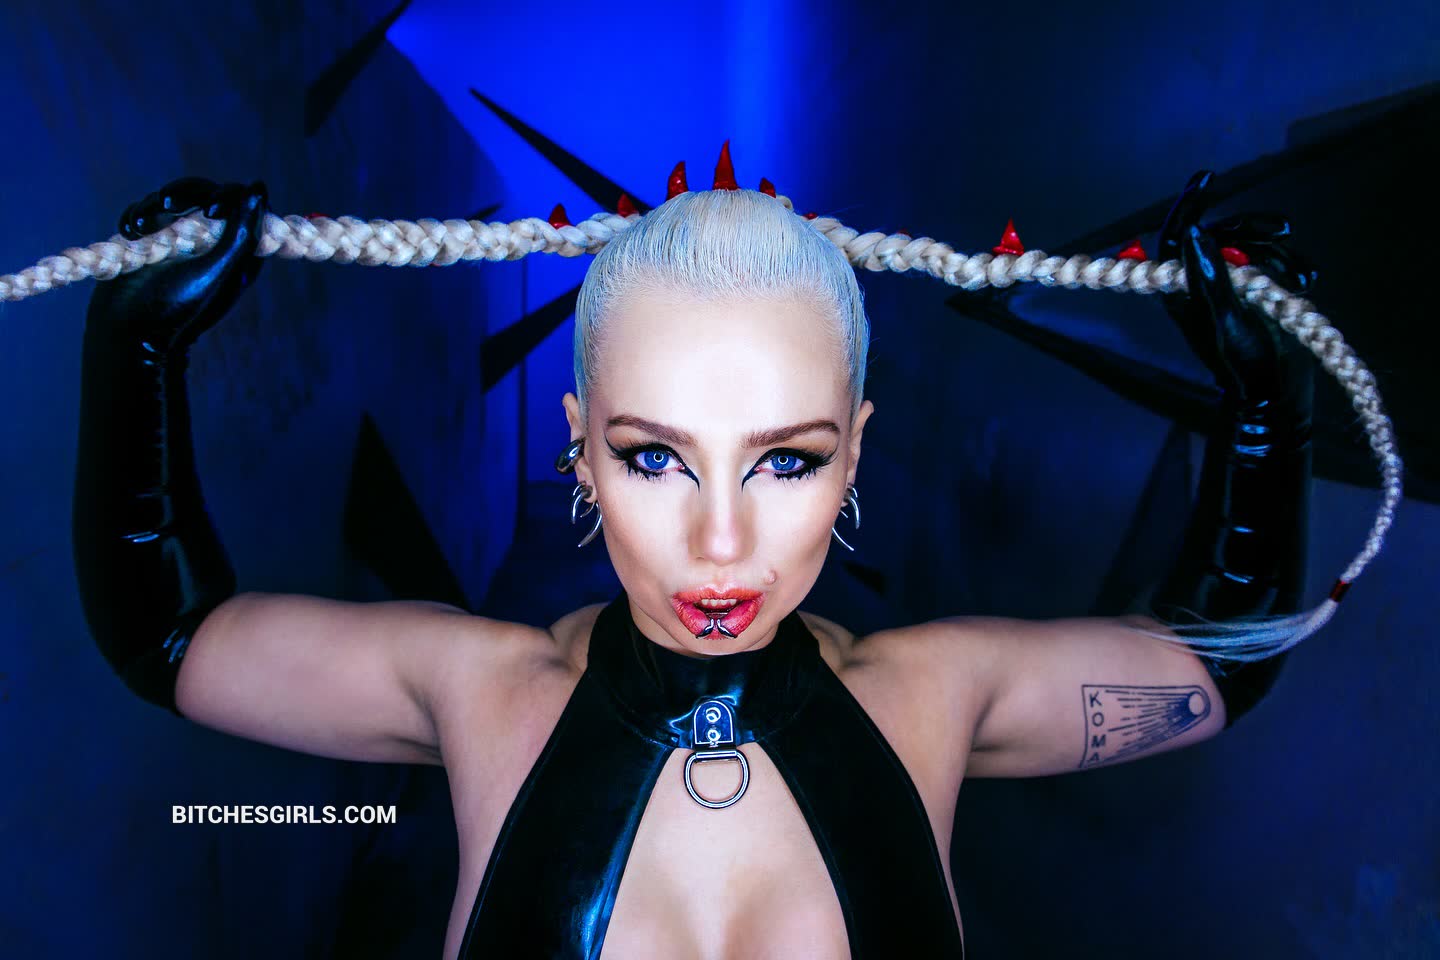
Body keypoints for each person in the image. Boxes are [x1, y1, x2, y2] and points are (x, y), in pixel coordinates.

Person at [74, 157, 1317, 958]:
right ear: (579, 450)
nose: (721, 545)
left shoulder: (936, 698)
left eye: (788, 462)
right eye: (654, 456)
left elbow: (1216, 667)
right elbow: (171, 635)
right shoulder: (479, 691)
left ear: (855, 454)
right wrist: (131, 357)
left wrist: (1267, 413)